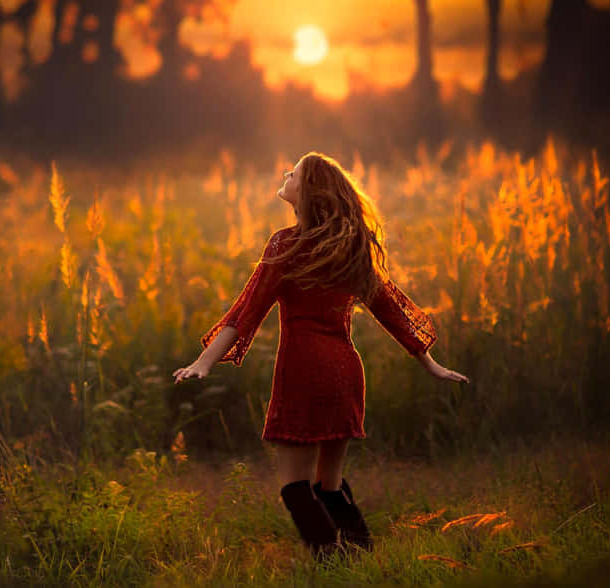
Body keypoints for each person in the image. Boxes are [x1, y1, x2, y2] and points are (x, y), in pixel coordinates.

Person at [172, 152, 470, 559]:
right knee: (328, 484)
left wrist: (203, 362)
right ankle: (362, 555)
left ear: (306, 191)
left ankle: (332, 566)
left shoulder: (286, 244)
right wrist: (430, 363)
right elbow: (392, 311)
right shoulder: (349, 247)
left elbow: (247, 311)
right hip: (345, 373)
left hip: (303, 372)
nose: (285, 174)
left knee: (294, 487)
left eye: (292, 173)